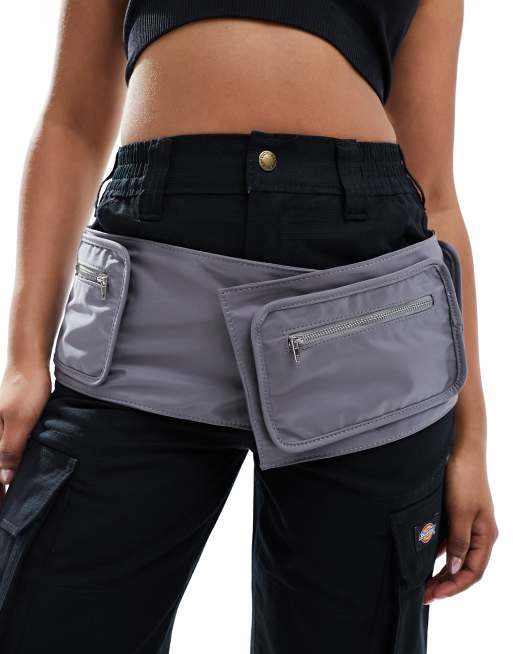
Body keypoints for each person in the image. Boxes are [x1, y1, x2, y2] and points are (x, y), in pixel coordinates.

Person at [0, 1, 498, 652]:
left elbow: (434, 190)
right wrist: (23, 359)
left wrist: (471, 440)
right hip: (151, 295)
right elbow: (71, 121)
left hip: (366, 305)